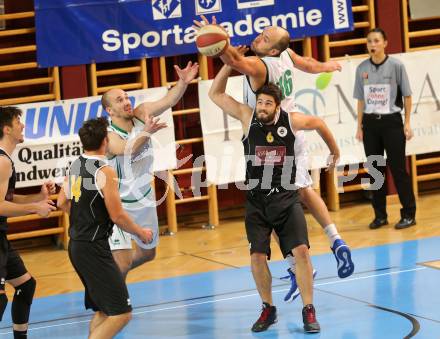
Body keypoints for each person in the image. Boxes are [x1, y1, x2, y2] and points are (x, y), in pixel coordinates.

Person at [193, 16, 354, 301]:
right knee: (284, 198)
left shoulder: (259, 65)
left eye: (265, 38)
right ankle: (329, 244)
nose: (259, 37)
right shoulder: (286, 54)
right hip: (286, 131)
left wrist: (216, 36)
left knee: (286, 197)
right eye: (263, 32)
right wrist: (327, 66)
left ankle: (325, 247)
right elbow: (308, 63)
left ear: (271, 51)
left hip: (279, 137)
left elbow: (232, 59)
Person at [209, 62, 341, 332]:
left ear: (278, 105)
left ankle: (309, 309)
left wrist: (334, 151)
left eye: (268, 104)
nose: (262, 108)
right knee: (257, 256)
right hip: (257, 200)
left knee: (301, 252)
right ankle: (268, 308)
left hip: (285, 197)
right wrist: (225, 65)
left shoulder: (291, 121)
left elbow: (318, 123)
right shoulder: (248, 117)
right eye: (260, 103)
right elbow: (216, 94)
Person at [101, 61, 199, 279]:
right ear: (110, 110)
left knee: (148, 254)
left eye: (126, 97)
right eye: (119, 100)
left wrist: (183, 82)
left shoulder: (140, 113)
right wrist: (145, 133)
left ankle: (106, 279)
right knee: (123, 261)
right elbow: (126, 150)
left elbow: (170, 100)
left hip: (144, 200)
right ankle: (112, 299)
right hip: (119, 204)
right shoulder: (109, 135)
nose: (126, 101)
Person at [57, 117, 153, 339]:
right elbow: (117, 215)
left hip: (78, 247)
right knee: (122, 314)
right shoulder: (105, 171)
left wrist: (84, 218)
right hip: (94, 249)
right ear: (105, 141)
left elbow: (62, 202)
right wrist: (140, 232)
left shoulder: (76, 164)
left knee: (103, 310)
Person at [0, 106, 57, 338]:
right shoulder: (2, 162)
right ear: (6, 129)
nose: (22, 126)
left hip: (1, 240)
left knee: (26, 285)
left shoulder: (6, 161)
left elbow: (8, 199)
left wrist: (38, 197)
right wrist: (35, 208)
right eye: (18, 122)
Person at [354, 28, 416, 230]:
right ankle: (380, 215)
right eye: (369, 41)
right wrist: (359, 126)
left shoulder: (396, 65)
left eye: (376, 40)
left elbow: (407, 96)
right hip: (371, 125)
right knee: (375, 170)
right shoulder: (361, 68)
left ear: (385, 43)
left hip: (392, 123)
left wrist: (406, 123)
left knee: (398, 169)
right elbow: (361, 100)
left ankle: (408, 214)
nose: (372, 44)